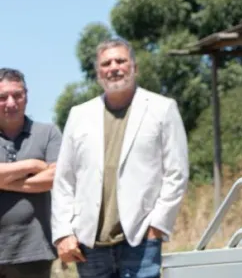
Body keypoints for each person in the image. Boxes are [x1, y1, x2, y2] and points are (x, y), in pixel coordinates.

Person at [51, 39, 189, 278]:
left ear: (134, 67)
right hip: (90, 244)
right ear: (98, 73)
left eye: (120, 61)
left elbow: (177, 173)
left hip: (140, 240)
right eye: (106, 63)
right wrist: (63, 232)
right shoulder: (79, 115)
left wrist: (157, 226)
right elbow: (64, 180)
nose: (114, 67)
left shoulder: (162, 108)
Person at [0, 69, 62, 278]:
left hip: (34, 250)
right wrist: (32, 165)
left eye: (17, 95)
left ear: (26, 96)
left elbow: (55, 177)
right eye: (2, 97)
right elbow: (43, 174)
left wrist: (5, 181)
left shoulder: (48, 133)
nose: (11, 103)